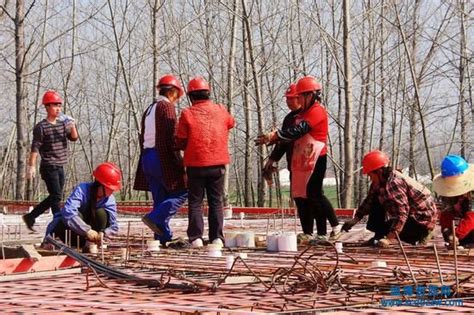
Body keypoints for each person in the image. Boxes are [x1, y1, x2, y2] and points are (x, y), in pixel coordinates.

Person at [256, 76, 341, 240]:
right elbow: (286, 140)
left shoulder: (317, 111)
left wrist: (276, 135)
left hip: (315, 159)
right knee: (301, 195)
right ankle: (309, 233)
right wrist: (273, 149)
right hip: (300, 160)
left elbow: (299, 131)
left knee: (314, 194)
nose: (297, 100)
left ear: (310, 95)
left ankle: (330, 228)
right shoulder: (298, 115)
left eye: (300, 96)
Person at [176, 77, 235, 248]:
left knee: (195, 201)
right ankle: (217, 237)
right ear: (208, 93)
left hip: (195, 164)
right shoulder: (220, 110)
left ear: (191, 96)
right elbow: (231, 123)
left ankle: (196, 238)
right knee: (216, 201)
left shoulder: (187, 113)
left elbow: (180, 139)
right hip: (217, 163)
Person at [342, 150, 438, 247]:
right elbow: (369, 202)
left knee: (391, 226)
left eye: (370, 174)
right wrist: (355, 219)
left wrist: (389, 239)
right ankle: (378, 237)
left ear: (379, 171)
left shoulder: (394, 184)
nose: (370, 178)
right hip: (410, 216)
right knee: (376, 199)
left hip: (421, 223)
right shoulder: (380, 182)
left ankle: (424, 236)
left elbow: (401, 214)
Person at [133, 74, 188, 246]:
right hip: (160, 157)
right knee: (184, 190)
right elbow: (171, 136)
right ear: (173, 92)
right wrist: (178, 160)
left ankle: (162, 237)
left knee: (160, 198)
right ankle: (154, 218)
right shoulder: (166, 107)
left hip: (147, 157)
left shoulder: (150, 108)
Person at [23, 90, 78, 231]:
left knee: (56, 196)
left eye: (59, 105)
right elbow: (35, 147)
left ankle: (31, 216)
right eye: (55, 105)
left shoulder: (62, 124)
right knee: (56, 196)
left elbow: (73, 138)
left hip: (60, 165)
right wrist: (31, 166)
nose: (58, 108)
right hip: (48, 165)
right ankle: (58, 222)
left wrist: (73, 126)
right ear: (47, 107)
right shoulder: (41, 127)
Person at [45, 162, 121, 249]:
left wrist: (104, 234)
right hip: (75, 233)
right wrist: (86, 230)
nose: (112, 191)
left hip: (93, 237)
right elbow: (68, 211)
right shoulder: (82, 189)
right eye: (110, 188)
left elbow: (114, 226)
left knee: (101, 213)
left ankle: (92, 244)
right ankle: (80, 243)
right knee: (70, 216)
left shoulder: (110, 200)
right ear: (100, 185)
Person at [262, 83, 301, 186]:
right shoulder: (288, 118)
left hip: (308, 165)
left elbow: (296, 133)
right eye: (287, 99)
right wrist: (272, 159)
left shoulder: (307, 115)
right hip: (293, 165)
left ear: (299, 98)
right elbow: (283, 142)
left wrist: (277, 135)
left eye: (291, 99)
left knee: (313, 198)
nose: (288, 102)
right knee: (299, 199)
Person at [432, 155, 474, 248]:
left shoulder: (472, 193)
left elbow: (472, 217)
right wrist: (448, 231)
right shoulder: (448, 193)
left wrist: (457, 235)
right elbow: (446, 212)